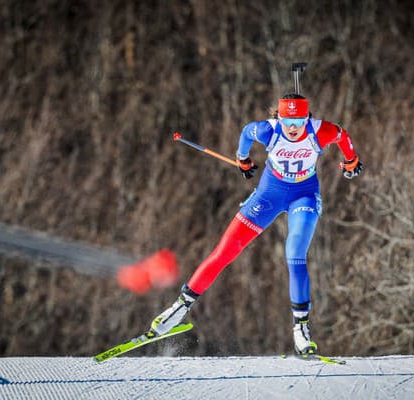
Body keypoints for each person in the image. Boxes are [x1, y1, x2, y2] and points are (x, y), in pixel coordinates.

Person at [147, 93, 363, 355]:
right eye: (287, 121)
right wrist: (242, 158)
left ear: (307, 118)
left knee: (295, 253)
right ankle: (179, 308)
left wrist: (351, 161)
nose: (293, 128)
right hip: (269, 194)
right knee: (225, 251)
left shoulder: (321, 131)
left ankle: (301, 329)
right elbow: (246, 132)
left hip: (303, 196)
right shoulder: (267, 130)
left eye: (298, 121)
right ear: (279, 118)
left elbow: (343, 135)